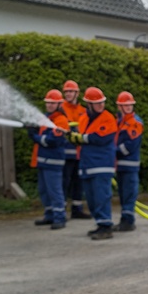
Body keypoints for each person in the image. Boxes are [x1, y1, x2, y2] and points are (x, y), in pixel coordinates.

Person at [68, 86, 118, 240]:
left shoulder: (108, 118)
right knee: (90, 197)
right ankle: (100, 223)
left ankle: (106, 226)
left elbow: (101, 138)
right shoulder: (83, 118)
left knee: (101, 196)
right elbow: (81, 135)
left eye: (102, 102)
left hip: (102, 164)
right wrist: (72, 136)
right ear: (89, 104)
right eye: (97, 103)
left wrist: (81, 138)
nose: (101, 105)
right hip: (87, 164)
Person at [28, 90, 70, 230]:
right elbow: (42, 135)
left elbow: (52, 140)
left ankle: (60, 217)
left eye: (52, 103)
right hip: (42, 161)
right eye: (48, 103)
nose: (50, 105)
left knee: (55, 191)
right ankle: (49, 215)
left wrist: (35, 137)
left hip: (53, 162)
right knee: (44, 191)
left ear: (59, 104)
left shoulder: (61, 120)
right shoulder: (45, 118)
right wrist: (32, 128)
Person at [114, 91, 144, 232]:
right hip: (120, 165)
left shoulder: (135, 122)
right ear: (119, 106)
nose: (127, 108)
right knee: (123, 194)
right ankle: (124, 220)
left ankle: (128, 221)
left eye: (129, 105)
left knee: (129, 194)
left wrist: (112, 151)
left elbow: (130, 145)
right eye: (124, 105)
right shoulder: (119, 121)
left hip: (129, 165)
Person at [60, 80, 90, 220]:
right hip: (65, 153)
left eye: (71, 91)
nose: (68, 94)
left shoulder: (83, 111)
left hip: (79, 153)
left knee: (79, 182)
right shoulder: (60, 109)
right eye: (66, 92)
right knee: (64, 182)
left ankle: (77, 209)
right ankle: (62, 210)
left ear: (77, 93)